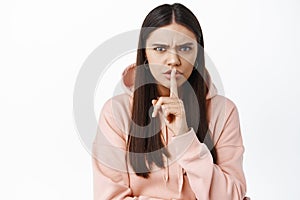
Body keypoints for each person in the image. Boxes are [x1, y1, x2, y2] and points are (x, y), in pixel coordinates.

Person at [92, 3, 248, 200]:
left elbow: (232, 196)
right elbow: (110, 197)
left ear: (198, 54)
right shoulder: (117, 111)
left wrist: (184, 137)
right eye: (160, 48)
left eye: (185, 48)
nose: (173, 59)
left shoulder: (224, 111)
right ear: (145, 54)